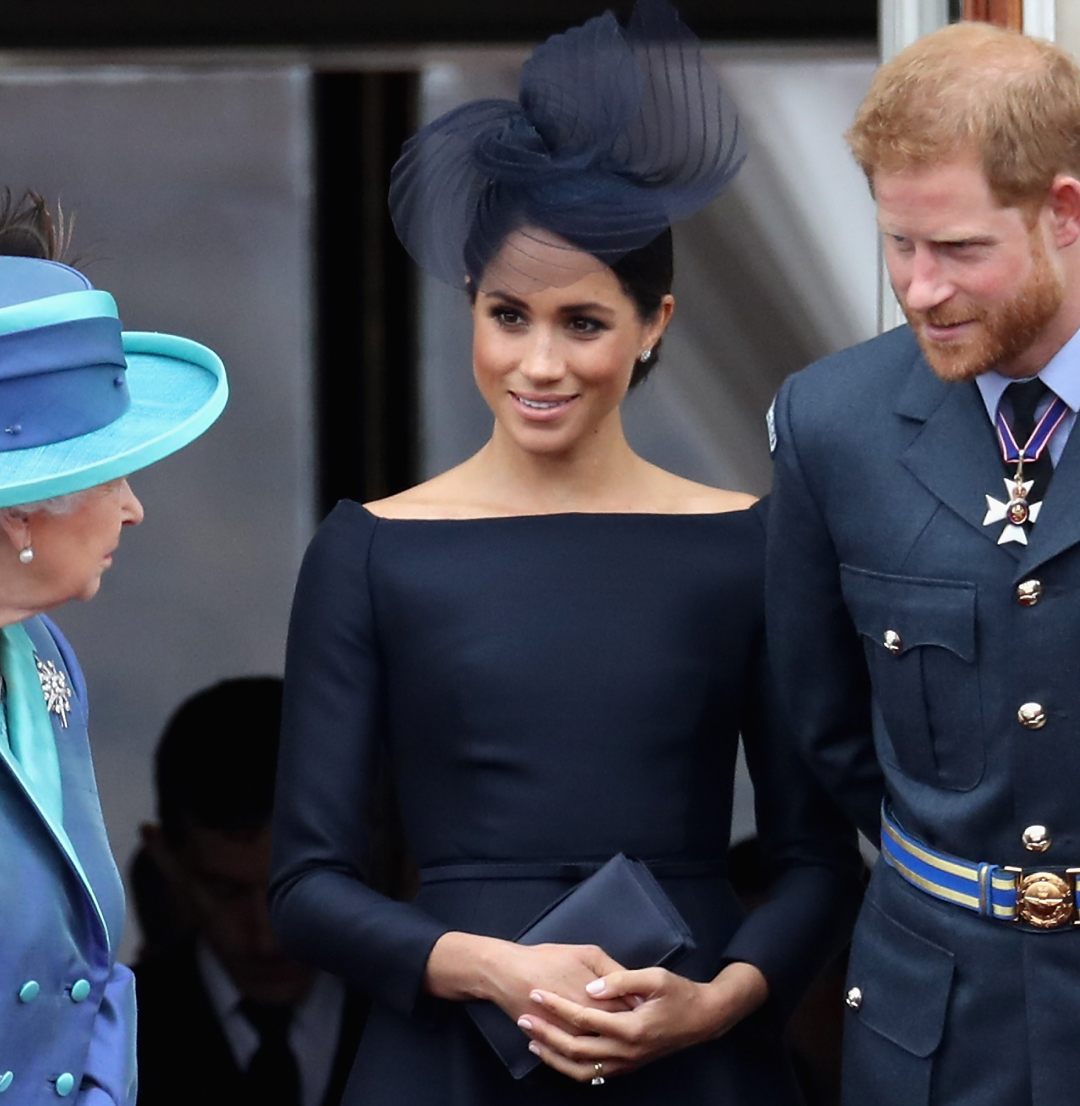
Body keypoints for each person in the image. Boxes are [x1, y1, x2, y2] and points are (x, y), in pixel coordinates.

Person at [270, 4, 862, 1103]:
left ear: (655, 323)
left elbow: (818, 858)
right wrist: (490, 964)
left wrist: (721, 998)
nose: (538, 362)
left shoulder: (751, 541)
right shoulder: (370, 549)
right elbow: (305, 884)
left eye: (582, 321)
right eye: (509, 314)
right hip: (444, 1054)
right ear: (470, 309)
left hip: (689, 1052)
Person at [766, 21, 1080, 1106]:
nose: (919, 287)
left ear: (1065, 212)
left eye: (957, 249)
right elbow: (825, 725)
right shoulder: (830, 421)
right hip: (941, 1025)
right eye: (897, 244)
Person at [0, 193, 227, 1104]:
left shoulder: (44, 659)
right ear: (21, 504)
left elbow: (87, 978)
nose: (133, 506)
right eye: (108, 471)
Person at [134, 677, 366, 1106]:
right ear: (165, 857)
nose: (265, 937)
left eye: (292, 890)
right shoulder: (108, 1038)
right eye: (226, 891)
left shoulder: (429, 1026)